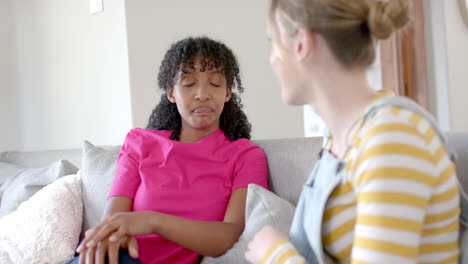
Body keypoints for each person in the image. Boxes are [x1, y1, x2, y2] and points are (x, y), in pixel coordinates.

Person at [245, 0, 461, 263]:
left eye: (273, 43)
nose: (273, 60)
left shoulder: (391, 137)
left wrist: (274, 254)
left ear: (301, 44)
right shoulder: (341, 143)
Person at [70, 36, 268, 264]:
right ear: (171, 93)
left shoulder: (245, 156)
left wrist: (153, 221)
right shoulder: (139, 142)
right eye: (188, 83)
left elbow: (230, 235)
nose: (202, 94)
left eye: (214, 83)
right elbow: (112, 223)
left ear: (227, 93)